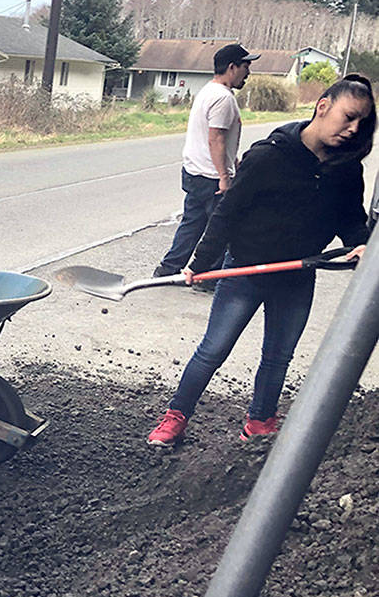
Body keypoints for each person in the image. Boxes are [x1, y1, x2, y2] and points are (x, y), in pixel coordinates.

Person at [146, 75, 374, 447]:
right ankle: (176, 415)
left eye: (362, 122)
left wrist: (359, 244)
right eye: (349, 117)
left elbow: (349, 216)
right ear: (323, 107)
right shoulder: (270, 155)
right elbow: (227, 213)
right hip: (244, 270)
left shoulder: (346, 168)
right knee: (213, 350)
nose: (354, 129)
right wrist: (201, 263)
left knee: (278, 356)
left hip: (297, 275)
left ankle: (260, 421)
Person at [153, 43, 259, 289]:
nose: (248, 73)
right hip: (211, 176)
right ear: (231, 67)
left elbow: (220, 138)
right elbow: (216, 138)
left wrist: (234, 161)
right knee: (224, 227)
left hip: (194, 170)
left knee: (193, 223)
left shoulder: (208, 91)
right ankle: (208, 278)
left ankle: (167, 270)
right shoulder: (223, 98)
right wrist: (224, 175)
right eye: (246, 66)